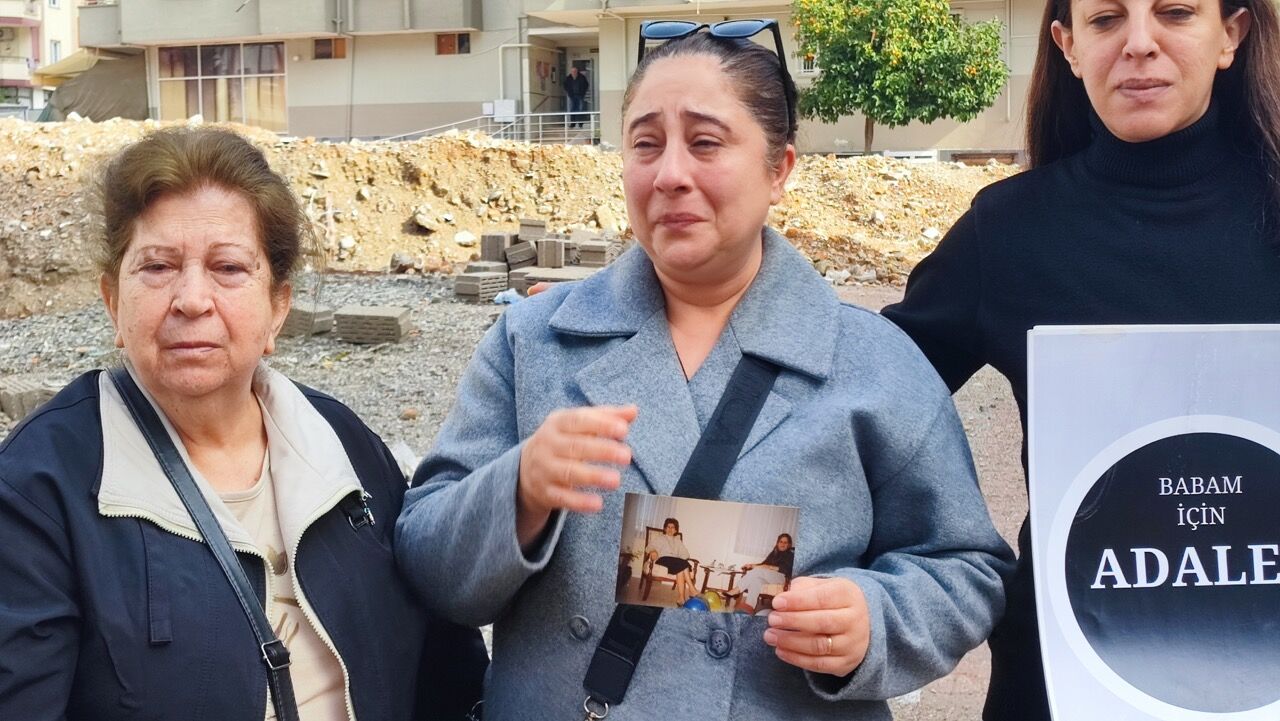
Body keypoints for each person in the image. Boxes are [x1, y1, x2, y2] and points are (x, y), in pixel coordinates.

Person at [397, 22, 1012, 720]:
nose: (670, 174)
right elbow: (426, 559)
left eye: (706, 142)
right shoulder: (532, 341)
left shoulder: (873, 362)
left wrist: (874, 616)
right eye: (646, 143)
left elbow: (966, 567)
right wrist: (519, 493)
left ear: (779, 169)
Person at [0, 127, 487, 721]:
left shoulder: (342, 446)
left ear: (277, 307)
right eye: (157, 266)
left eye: (228, 267)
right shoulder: (37, 489)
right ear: (112, 301)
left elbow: (448, 673)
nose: (191, 299)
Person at [880, 0, 1280, 717]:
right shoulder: (1009, 232)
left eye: (1174, 12)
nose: (1139, 43)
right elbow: (864, 396)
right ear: (1067, 46)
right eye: (1106, 20)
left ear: (1231, 35)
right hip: (1063, 683)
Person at [729, 533, 796, 613]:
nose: (782, 544)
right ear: (777, 543)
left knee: (758, 571)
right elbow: (763, 564)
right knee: (756, 581)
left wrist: (769, 567)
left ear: (788, 544)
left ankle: (737, 589)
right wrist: (751, 565)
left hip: (782, 578)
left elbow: (784, 569)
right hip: (770, 577)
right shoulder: (774, 553)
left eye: (785, 542)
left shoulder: (790, 555)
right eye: (781, 542)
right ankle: (749, 608)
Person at [644, 517, 697, 604]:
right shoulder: (660, 538)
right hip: (663, 559)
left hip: (675, 563)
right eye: (668, 527)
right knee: (682, 564)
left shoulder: (678, 541)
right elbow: (649, 547)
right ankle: (692, 588)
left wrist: (680, 557)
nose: (670, 529)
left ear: (675, 530)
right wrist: (653, 551)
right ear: (665, 529)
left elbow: (686, 554)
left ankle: (681, 598)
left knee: (681, 568)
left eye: (672, 527)